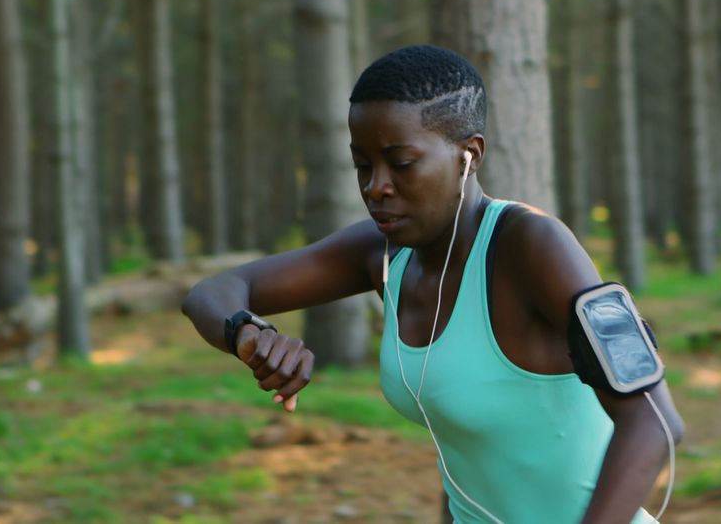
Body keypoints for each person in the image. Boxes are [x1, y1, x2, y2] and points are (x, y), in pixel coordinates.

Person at [182, 44, 685, 524]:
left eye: (401, 163)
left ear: (469, 155)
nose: (376, 185)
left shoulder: (532, 245)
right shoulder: (382, 256)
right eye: (363, 164)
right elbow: (212, 293)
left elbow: (654, 424)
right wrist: (250, 335)